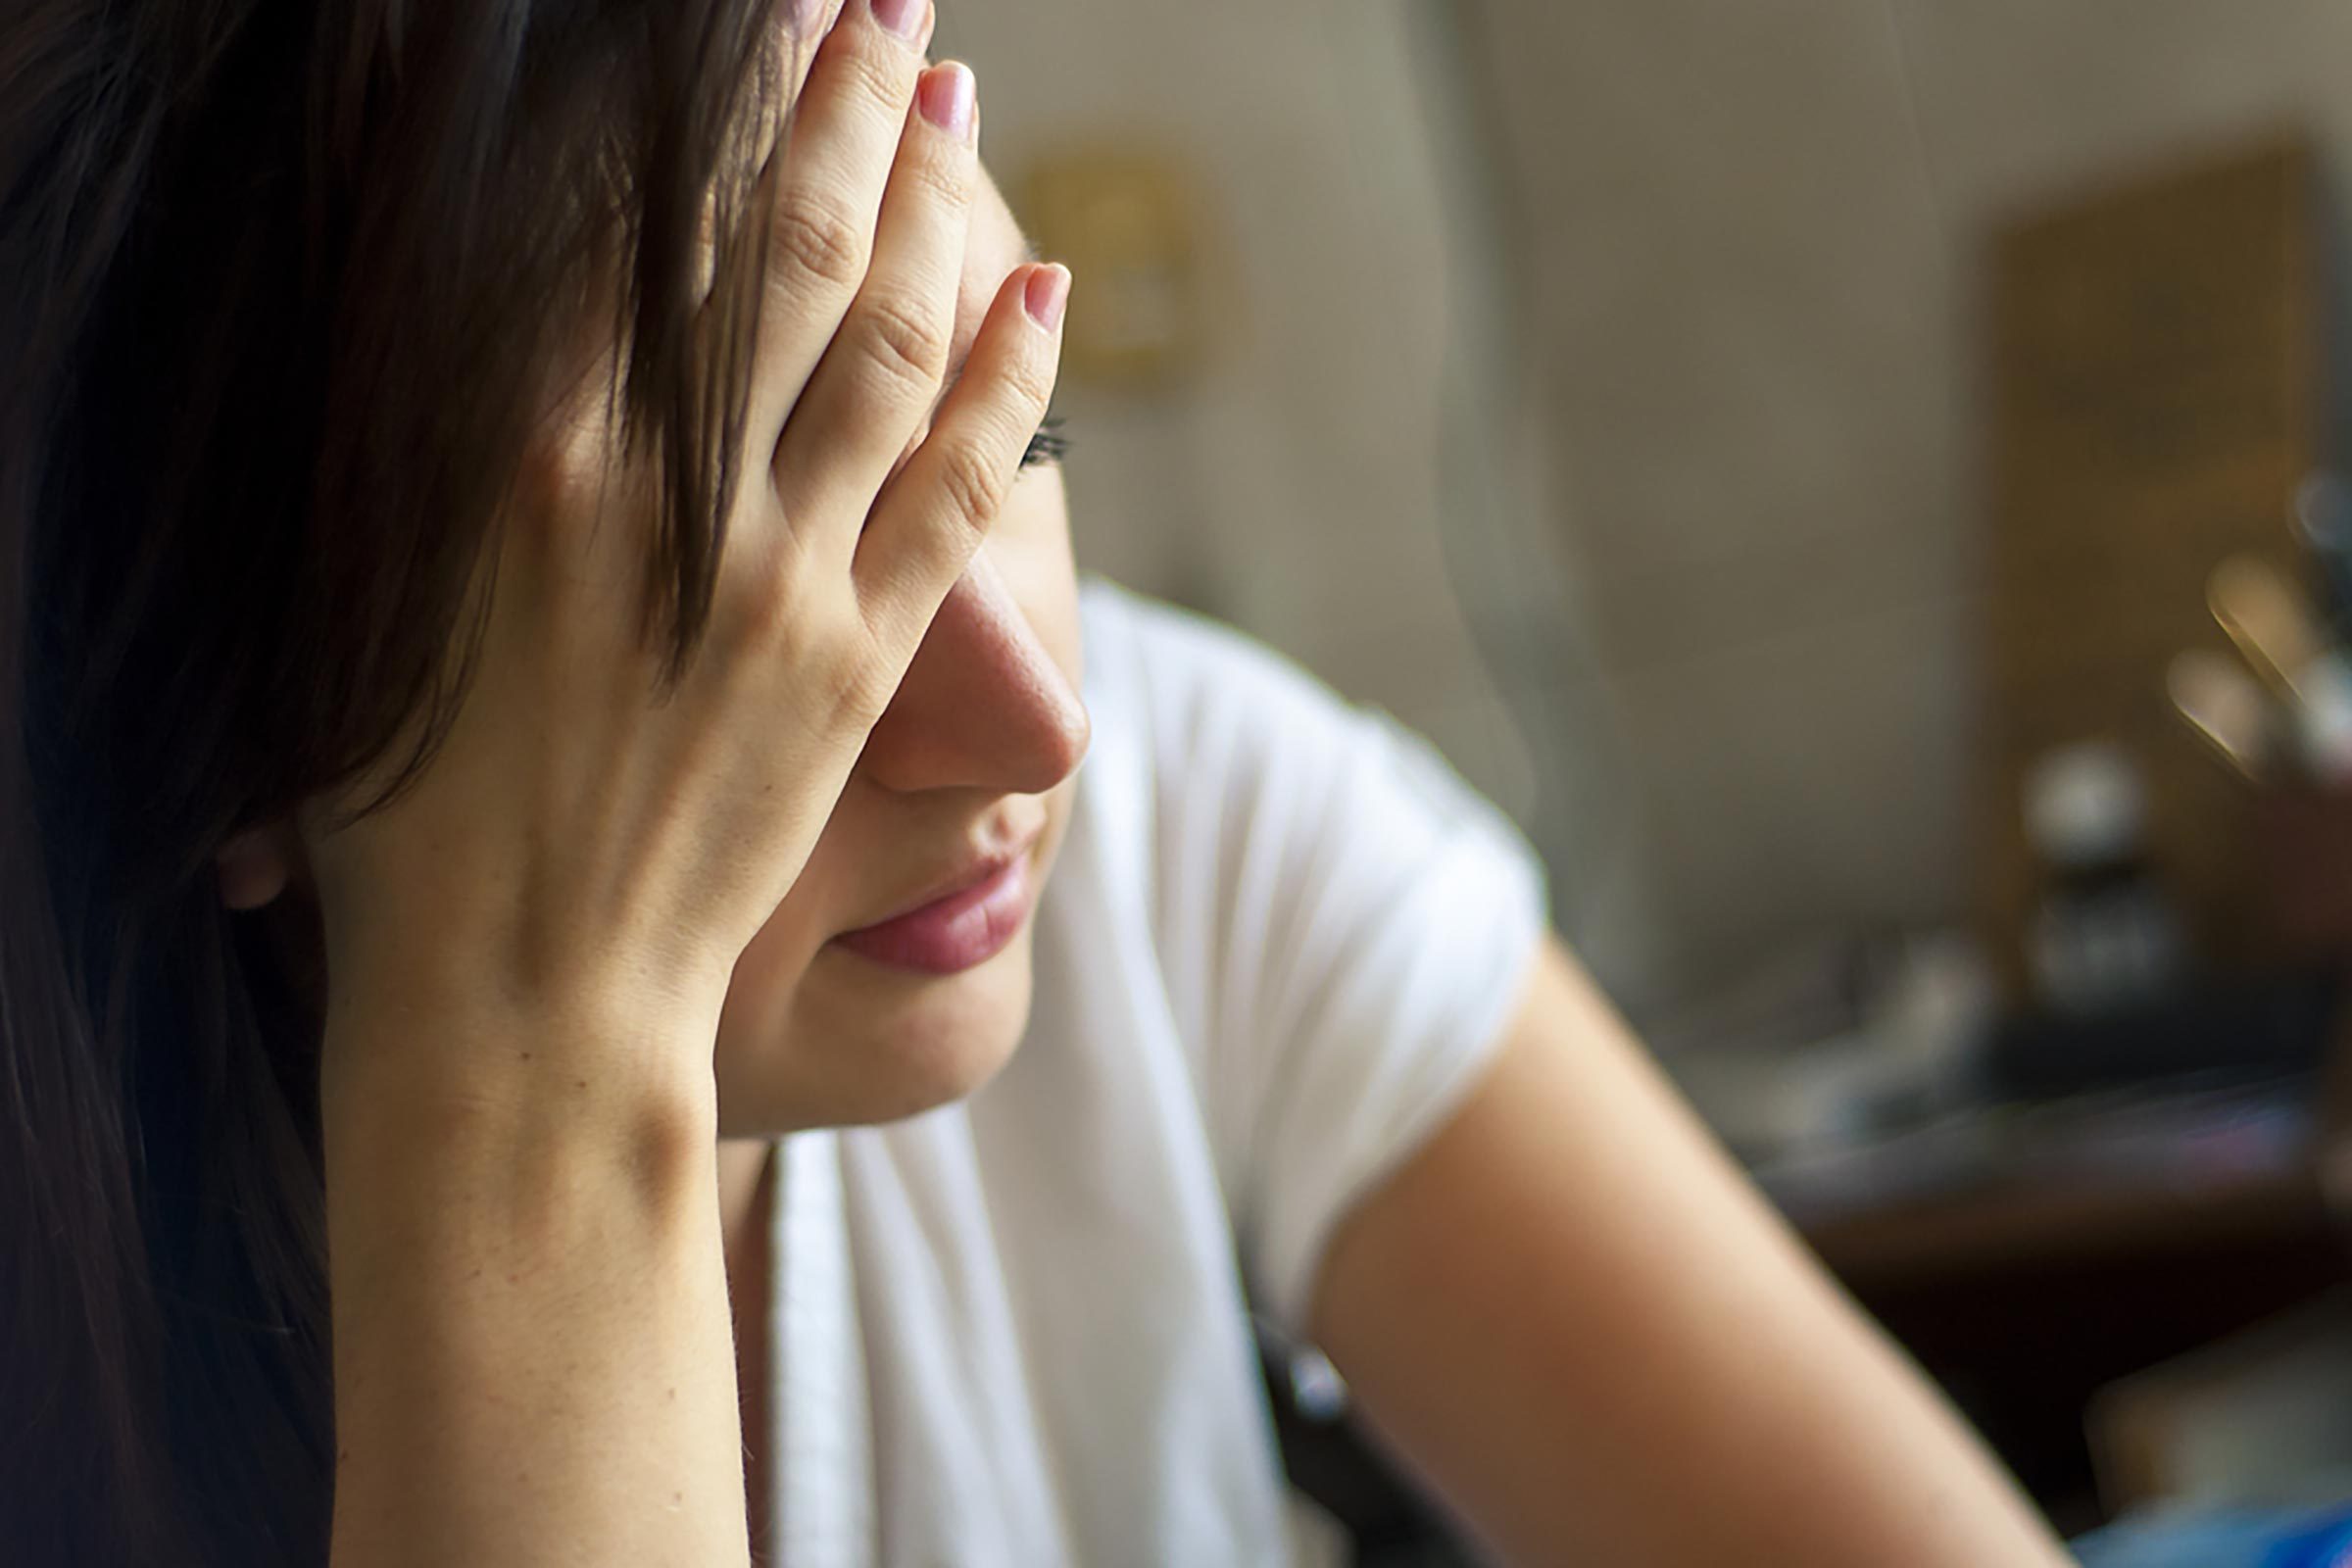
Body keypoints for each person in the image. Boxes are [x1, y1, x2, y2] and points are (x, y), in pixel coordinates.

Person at [0, 1, 2077, 1563]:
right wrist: (536, 1053)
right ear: (233, 755)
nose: (1035, 727)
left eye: (1020, 454)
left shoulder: (1182, 808)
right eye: (741, 597)